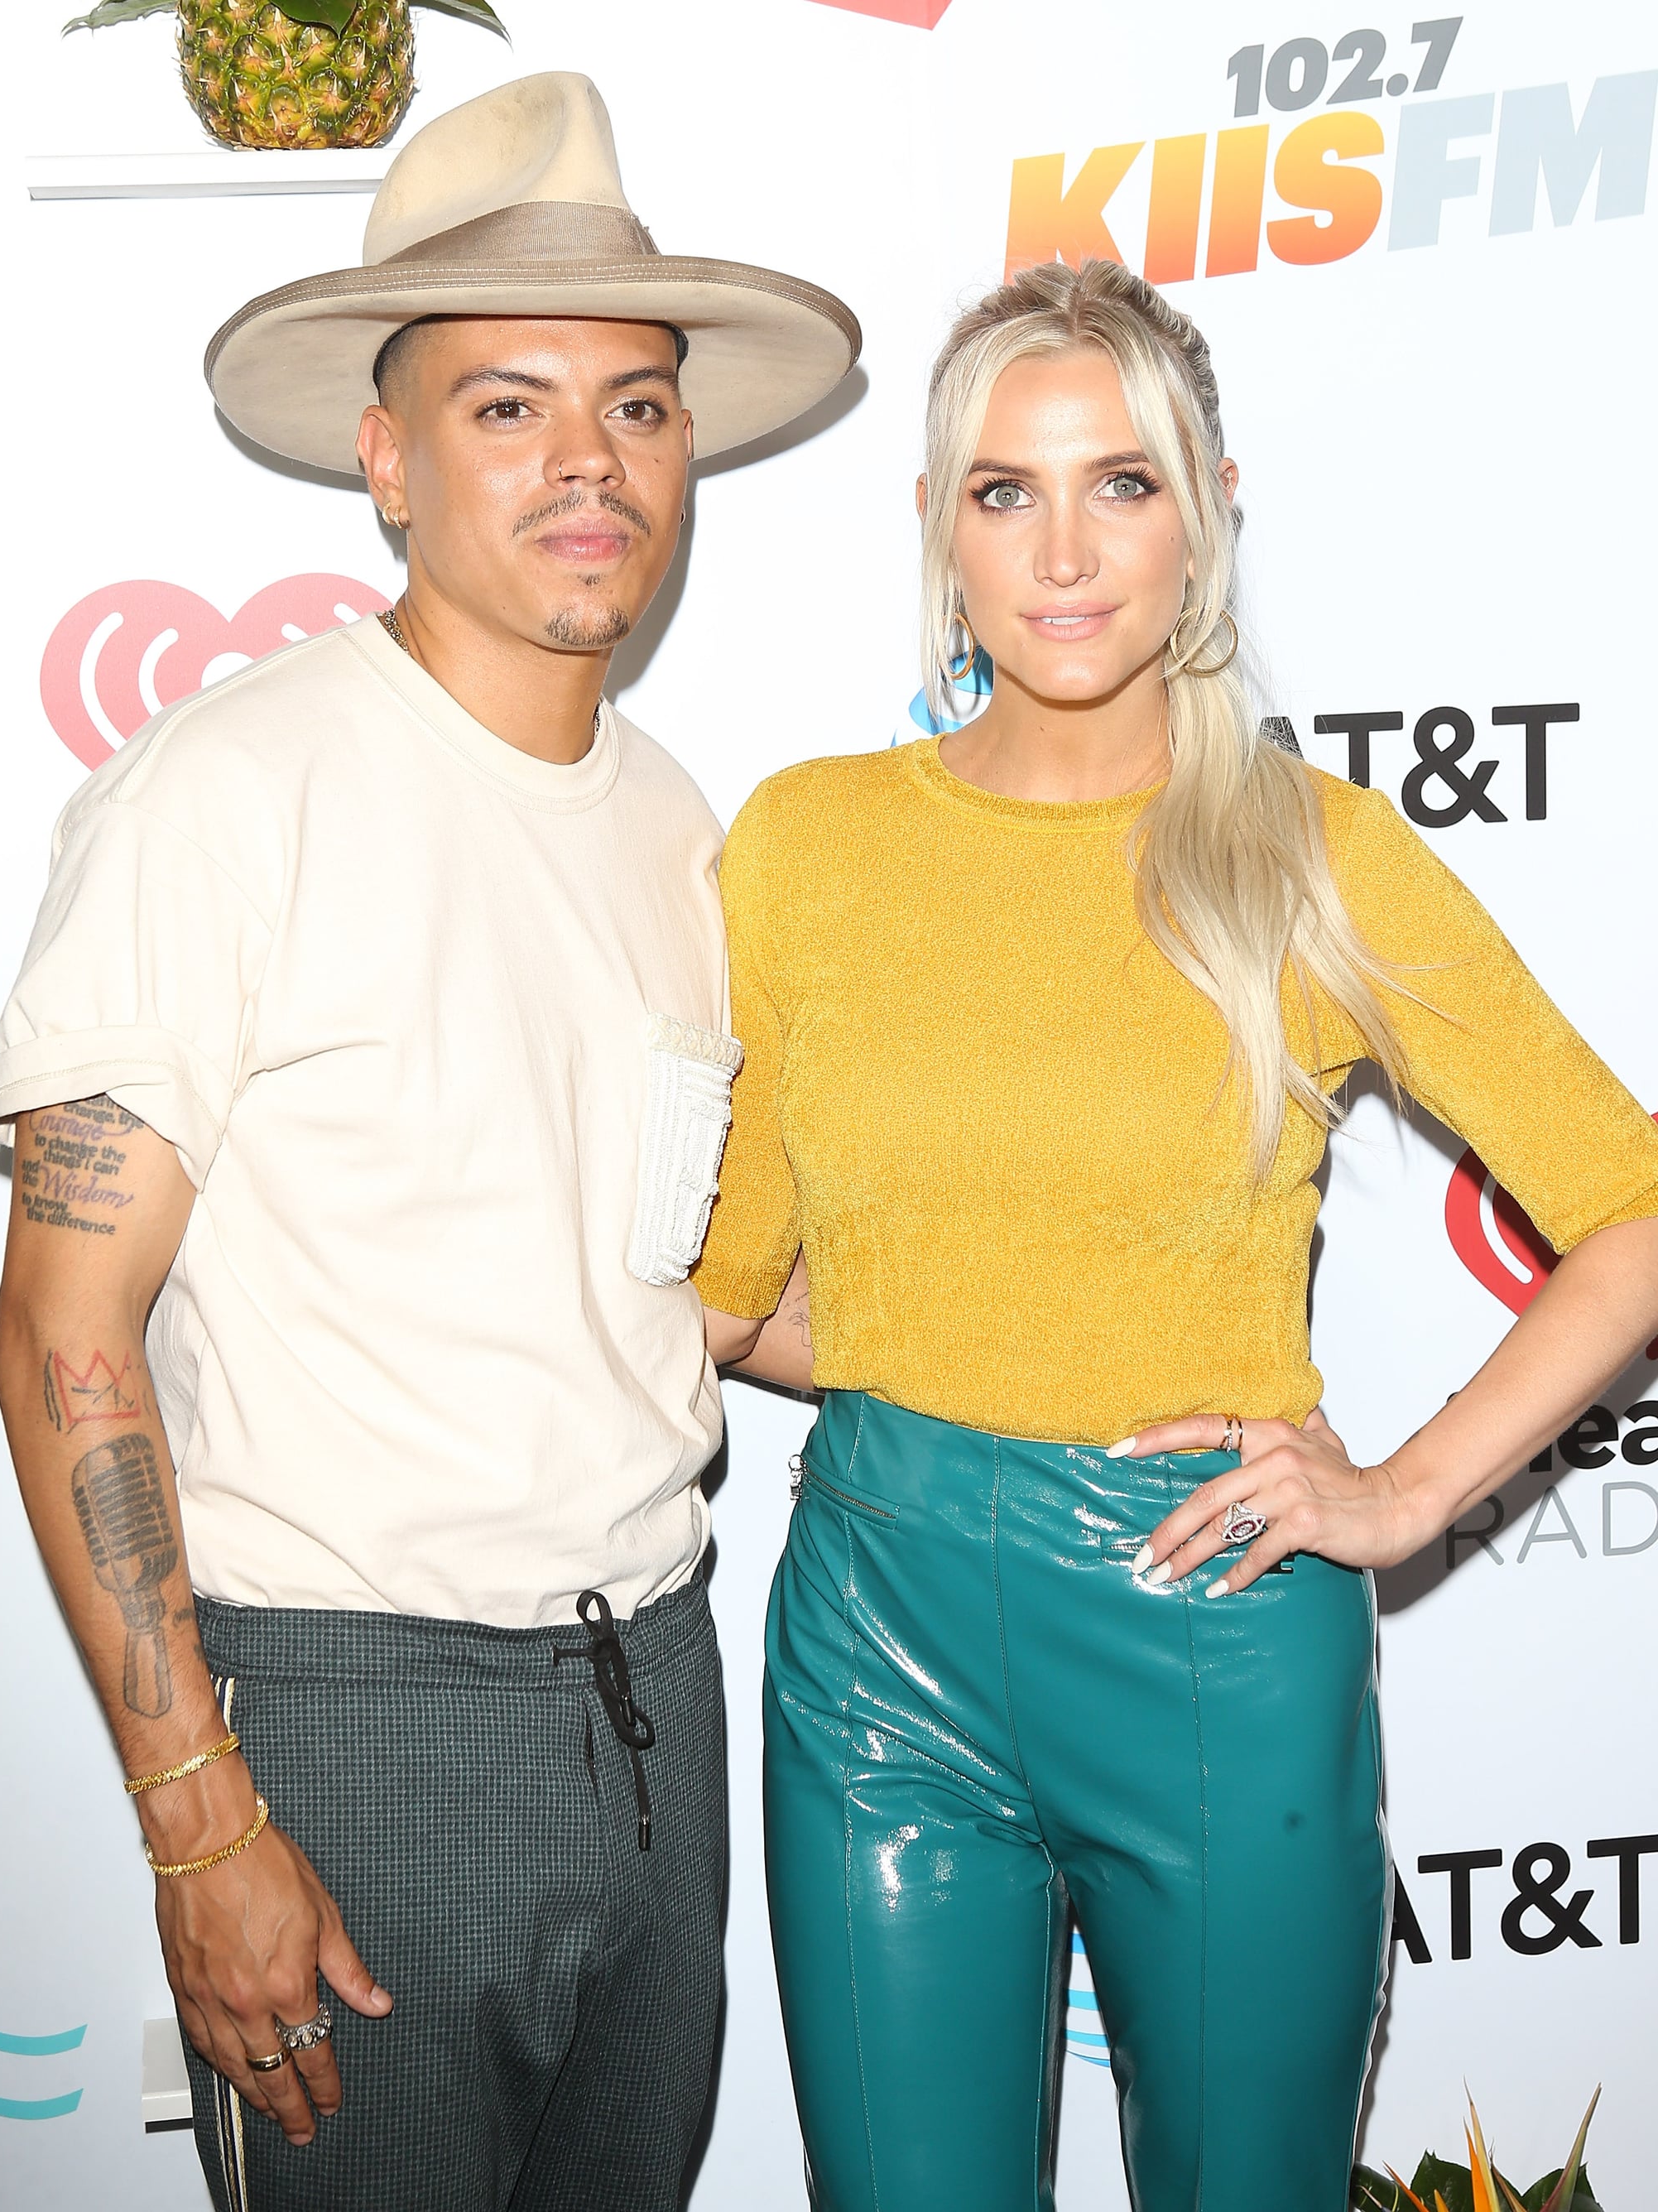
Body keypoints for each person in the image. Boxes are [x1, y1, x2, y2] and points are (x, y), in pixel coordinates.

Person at [695, 257, 1658, 2211]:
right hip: (872, 1639)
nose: (1062, 551)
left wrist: (1398, 1492)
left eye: (1121, 485)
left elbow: (1630, 1208)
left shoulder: (1309, 852)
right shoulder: (803, 845)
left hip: (1213, 1636)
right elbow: (730, 1294)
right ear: (933, 527)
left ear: (1210, 510)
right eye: (1003, 489)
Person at [0, 71, 855, 2212]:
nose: (590, 464)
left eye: (639, 408)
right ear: (383, 456)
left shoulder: (682, 828)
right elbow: (60, 1329)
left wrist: (1098, 1352)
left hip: (662, 1685)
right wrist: (203, 1814)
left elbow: (704, 1287)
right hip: (352, 1728)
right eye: (508, 407)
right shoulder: (233, 788)